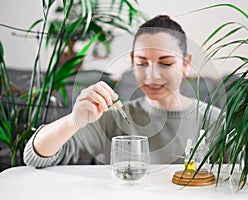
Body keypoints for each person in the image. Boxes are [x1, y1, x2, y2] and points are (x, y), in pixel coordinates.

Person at [24, 15, 220, 168]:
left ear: (186, 63)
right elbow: (34, 157)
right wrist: (73, 120)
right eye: (142, 63)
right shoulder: (113, 119)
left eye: (166, 63)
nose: (152, 75)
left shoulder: (215, 120)